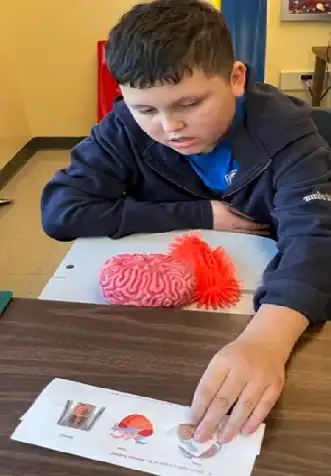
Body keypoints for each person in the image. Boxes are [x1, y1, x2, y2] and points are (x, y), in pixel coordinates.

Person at [41, 0, 331, 445]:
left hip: (257, 303)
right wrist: (199, 213)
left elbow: (315, 236)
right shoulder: (124, 127)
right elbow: (62, 210)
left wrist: (267, 340)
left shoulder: (289, 134)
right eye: (146, 110)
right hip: (168, 322)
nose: (169, 126)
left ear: (236, 78)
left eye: (190, 103)